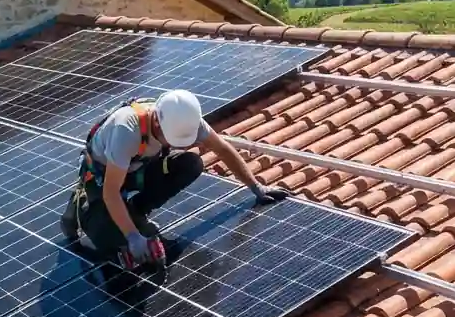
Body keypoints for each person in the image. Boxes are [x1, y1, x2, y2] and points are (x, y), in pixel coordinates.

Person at [60, 89, 293, 266]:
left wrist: (256, 187)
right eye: (170, 139)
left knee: (191, 163)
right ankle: (79, 209)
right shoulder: (126, 129)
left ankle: (136, 210)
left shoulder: (186, 119)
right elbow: (112, 192)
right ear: (157, 122)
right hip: (104, 178)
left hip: (138, 168)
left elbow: (222, 149)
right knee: (107, 240)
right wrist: (133, 236)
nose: (172, 144)